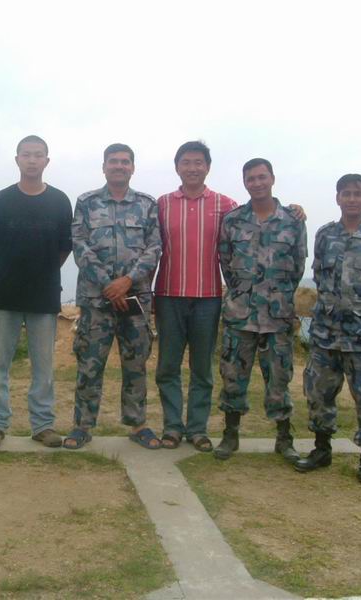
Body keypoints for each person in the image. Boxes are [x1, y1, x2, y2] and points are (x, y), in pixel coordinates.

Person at [295, 174, 361, 485]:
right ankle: (321, 449)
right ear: (338, 198)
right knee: (318, 393)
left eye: (357, 193)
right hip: (326, 334)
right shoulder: (325, 235)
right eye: (346, 193)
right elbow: (319, 276)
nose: (352, 199)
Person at [64, 143, 162, 450]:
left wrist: (128, 281)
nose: (119, 166)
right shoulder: (86, 202)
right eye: (113, 161)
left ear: (132, 167)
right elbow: (79, 245)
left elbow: (154, 247)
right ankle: (82, 426)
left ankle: (138, 424)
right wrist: (109, 284)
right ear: (104, 167)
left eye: (125, 161)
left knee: (136, 364)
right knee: (90, 364)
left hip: (135, 301)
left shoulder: (147, 204)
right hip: (97, 301)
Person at [0, 135, 73, 448]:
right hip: (5, 293)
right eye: (26, 154)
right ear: (17, 159)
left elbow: (64, 248)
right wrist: (10, 272)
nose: (32, 160)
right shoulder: (0, 200)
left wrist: (43, 273)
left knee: (43, 367)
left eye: (38, 155)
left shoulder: (60, 201)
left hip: (44, 294)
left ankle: (42, 425)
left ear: (47, 160)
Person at [215, 158, 307, 463]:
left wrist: (277, 294)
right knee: (232, 376)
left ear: (272, 179)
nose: (257, 183)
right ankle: (230, 435)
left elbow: (298, 265)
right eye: (251, 179)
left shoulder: (293, 220)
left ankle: (284, 438)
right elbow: (226, 262)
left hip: (277, 316)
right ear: (244, 183)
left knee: (279, 378)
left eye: (262, 177)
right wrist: (243, 293)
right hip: (240, 315)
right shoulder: (232, 221)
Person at [154, 141, 238, 452]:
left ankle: (198, 429)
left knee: (202, 368)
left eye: (198, 162)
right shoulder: (162, 204)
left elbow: (254, 223)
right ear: (177, 167)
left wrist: (293, 209)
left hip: (208, 298)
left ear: (208, 167)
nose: (192, 168)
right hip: (168, 296)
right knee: (168, 366)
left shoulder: (225, 204)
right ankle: (172, 427)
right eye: (186, 162)